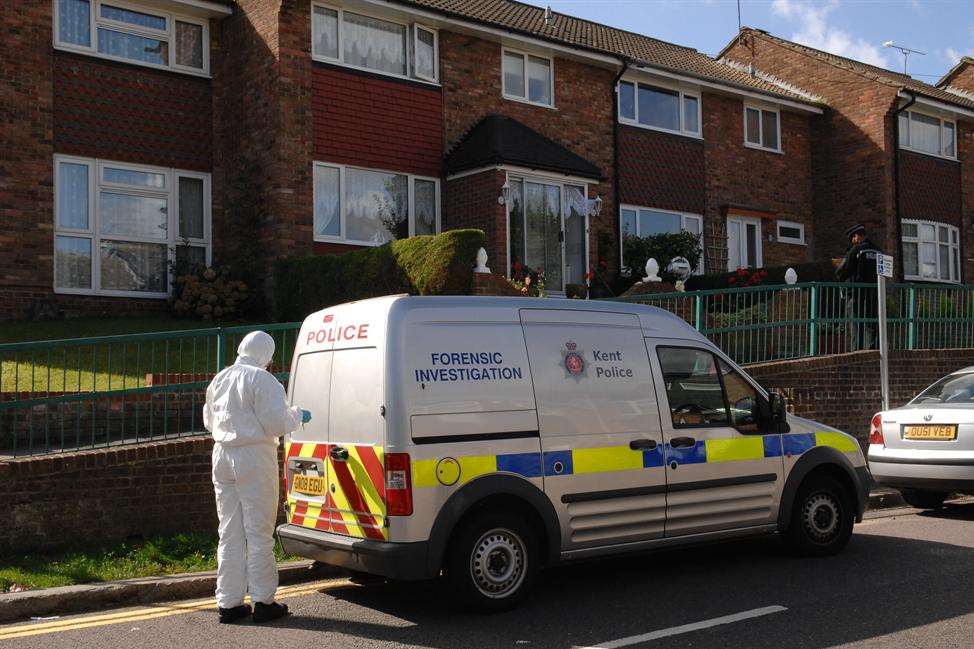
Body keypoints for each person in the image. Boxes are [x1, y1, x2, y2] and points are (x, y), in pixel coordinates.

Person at [203, 331, 306, 624]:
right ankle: (263, 601)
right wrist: (298, 415)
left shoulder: (220, 378)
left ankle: (229, 603)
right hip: (253, 456)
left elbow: (208, 420)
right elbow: (276, 423)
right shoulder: (263, 380)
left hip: (221, 454)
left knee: (229, 530)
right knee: (258, 531)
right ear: (266, 355)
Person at [835, 223, 883, 350]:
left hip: (856, 293)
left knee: (856, 323)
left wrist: (840, 277)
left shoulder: (856, 250)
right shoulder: (878, 250)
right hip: (874, 293)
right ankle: (874, 348)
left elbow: (842, 271)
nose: (852, 241)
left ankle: (857, 350)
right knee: (872, 322)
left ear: (857, 236)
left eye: (852, 239)